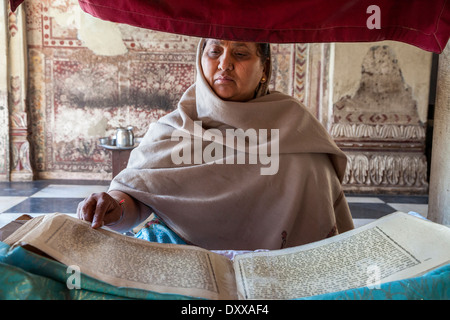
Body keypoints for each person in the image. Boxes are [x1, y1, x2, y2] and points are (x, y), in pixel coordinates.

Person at [77, 38, 354, 251]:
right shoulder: (172, 129)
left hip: (278, 280)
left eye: (241, 53)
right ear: (201, 60)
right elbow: (135, 200)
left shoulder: (296, 132)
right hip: (182, 275)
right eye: (214, 52)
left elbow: (321, 234)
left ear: (264, 68)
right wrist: (114, 206)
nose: (224, 64)